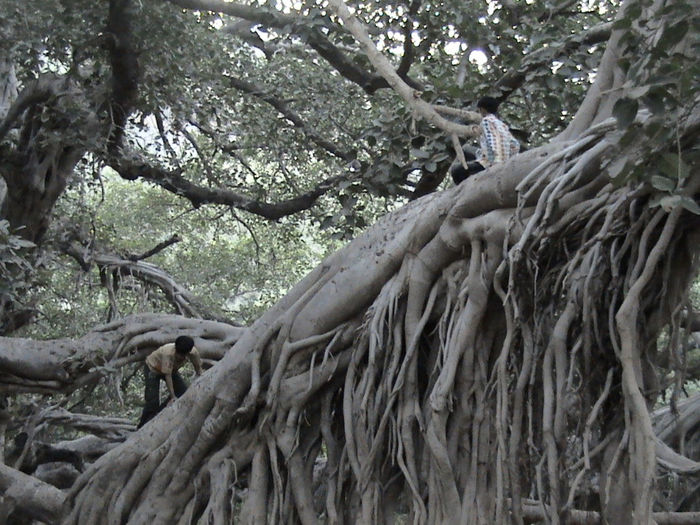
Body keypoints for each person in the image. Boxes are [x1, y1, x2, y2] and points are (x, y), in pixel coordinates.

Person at [450, 96, 520, 184]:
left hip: (492, 162)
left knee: (456, 171)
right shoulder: (502, 125)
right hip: (502, 159)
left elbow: (494, 141)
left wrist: (496, 165)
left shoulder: (486, 121)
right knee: (466, 149)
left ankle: (464, 186)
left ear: (482, 110)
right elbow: (515, 144)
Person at [137, 335, 203, 428]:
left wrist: (201, 377)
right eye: (178, 354)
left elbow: (198, 368)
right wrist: (172, 397)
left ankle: (159, 415)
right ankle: (142, 426)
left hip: (172, 370)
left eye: (182, 355)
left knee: (182, 392)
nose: (179, 357)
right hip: (153, 369)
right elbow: (168, 376)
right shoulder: (168, 353)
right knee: (152, 401)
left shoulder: (193, 352)